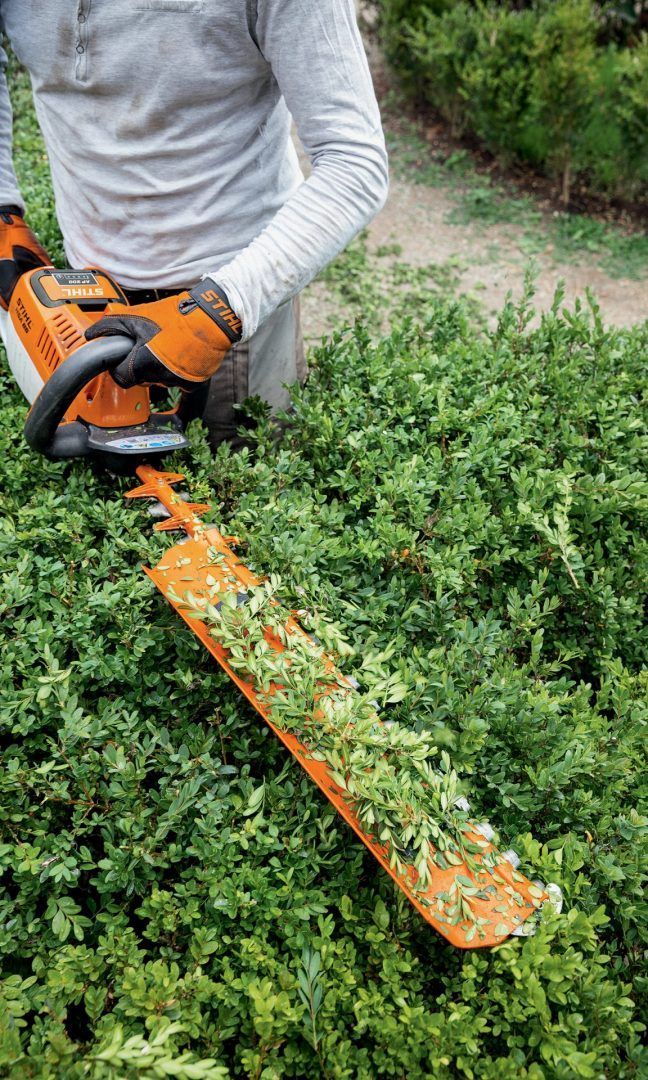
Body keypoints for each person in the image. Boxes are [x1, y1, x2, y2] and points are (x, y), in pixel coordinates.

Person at [0, 1, 388, 447]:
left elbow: (354, 161)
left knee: (242, 500)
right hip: (83, 302)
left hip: (231, 318)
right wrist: (3, 212)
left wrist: (219, 313)